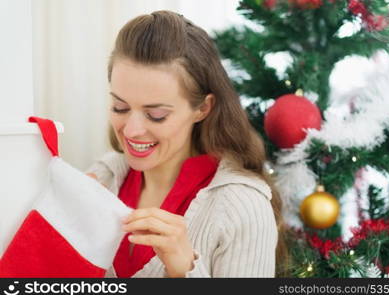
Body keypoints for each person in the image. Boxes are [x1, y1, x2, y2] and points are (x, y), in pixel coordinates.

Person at [86, 10, 288, 278]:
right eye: (120, 107)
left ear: (203, 108)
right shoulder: (102, 177)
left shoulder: (243, 206)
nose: (132, 130)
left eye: (156, 114)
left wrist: (182, 271)